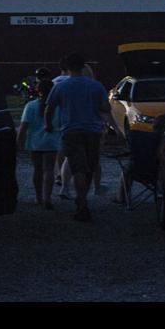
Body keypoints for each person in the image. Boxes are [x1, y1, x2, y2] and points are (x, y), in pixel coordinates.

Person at [42, 52, 109, 222]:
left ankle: (82, 202)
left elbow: (49, 108)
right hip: (93, 131)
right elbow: (105, 107)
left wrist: (48, 125)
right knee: (89, 167)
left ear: (67, 67)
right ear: (83, 65)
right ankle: (83, 198)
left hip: (71, 131)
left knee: (78, 167)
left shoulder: (60, 86)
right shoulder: (96, 85)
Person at [18, 76, 61, 209]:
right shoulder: (58, 107)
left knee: (37, 170)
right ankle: (47, 198)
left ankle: (38, 197)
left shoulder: (30, 106)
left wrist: (19, 141)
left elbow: (24, 126)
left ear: (38, 90)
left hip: (35, 143)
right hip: (51, 142)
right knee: (49, 170)